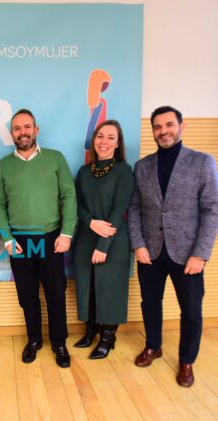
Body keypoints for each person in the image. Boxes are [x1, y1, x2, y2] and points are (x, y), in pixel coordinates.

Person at [129, 106, 218, 387]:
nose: (163, 131)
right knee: (150, 303)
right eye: (157, 126)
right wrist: (138, 244)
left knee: (191, 310)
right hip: (150, 251)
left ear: (182, 126)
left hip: (188, 254)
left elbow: (212, 210)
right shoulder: (142, 167)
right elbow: (134, 209)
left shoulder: (202, 162)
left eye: (169, 124)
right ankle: (153, 346)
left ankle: (186, 361)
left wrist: (201, 253)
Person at [0, 109, 77, 368]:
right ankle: (34, 340)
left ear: (36, 130)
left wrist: (66, 233)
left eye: (27, 127)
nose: (23, 132)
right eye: (17, 128)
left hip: (51, 238)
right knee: (27, 295)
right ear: (11, 134)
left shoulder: (55, 158)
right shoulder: (4, 166)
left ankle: (59, 342)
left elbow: (69, 195)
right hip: (19, 241)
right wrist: (7, 238)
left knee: (56, 293)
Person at [73, 120, 134, 359]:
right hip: (85, 237)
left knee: (110, 289)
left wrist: (103, 245)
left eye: (111, 137)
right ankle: (91, 331)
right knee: (86, 287)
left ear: (118, 143)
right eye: (100, 136)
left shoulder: (124, 171)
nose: (104, 142)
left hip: (113, 240)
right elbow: (77, 205)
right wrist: (90, 222)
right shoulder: (84, 172)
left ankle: (108, 337)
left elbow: (119, 210)